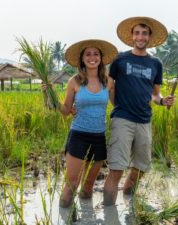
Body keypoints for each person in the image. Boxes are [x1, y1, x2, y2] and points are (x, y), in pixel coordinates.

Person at [103, 17, 175, 205]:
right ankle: (109, 213)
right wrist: (116, 105)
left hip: (144, 120)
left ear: (150, 37)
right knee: (117, 169)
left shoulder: (156, 63)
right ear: (132, 36)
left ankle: (128, 204)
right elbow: (109, 87)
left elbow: (155, 95)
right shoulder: (120, 59)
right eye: (137, 33)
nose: (140, 37)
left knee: (141, 168)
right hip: (122, 119)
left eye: (144, 33)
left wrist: (163, 100)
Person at [46, 39, 118, 208]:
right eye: (88, 54)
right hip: (78, 136)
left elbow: (118, 104)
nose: (92, 57)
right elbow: (65, 111)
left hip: (98, 138)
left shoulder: (108, 82)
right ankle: (63, 217)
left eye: (96, 54)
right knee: (71, 185)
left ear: (101, 58)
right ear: (82, 59)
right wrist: (51, 95)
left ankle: (87, 218)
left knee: (88, 187)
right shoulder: (75, 81)